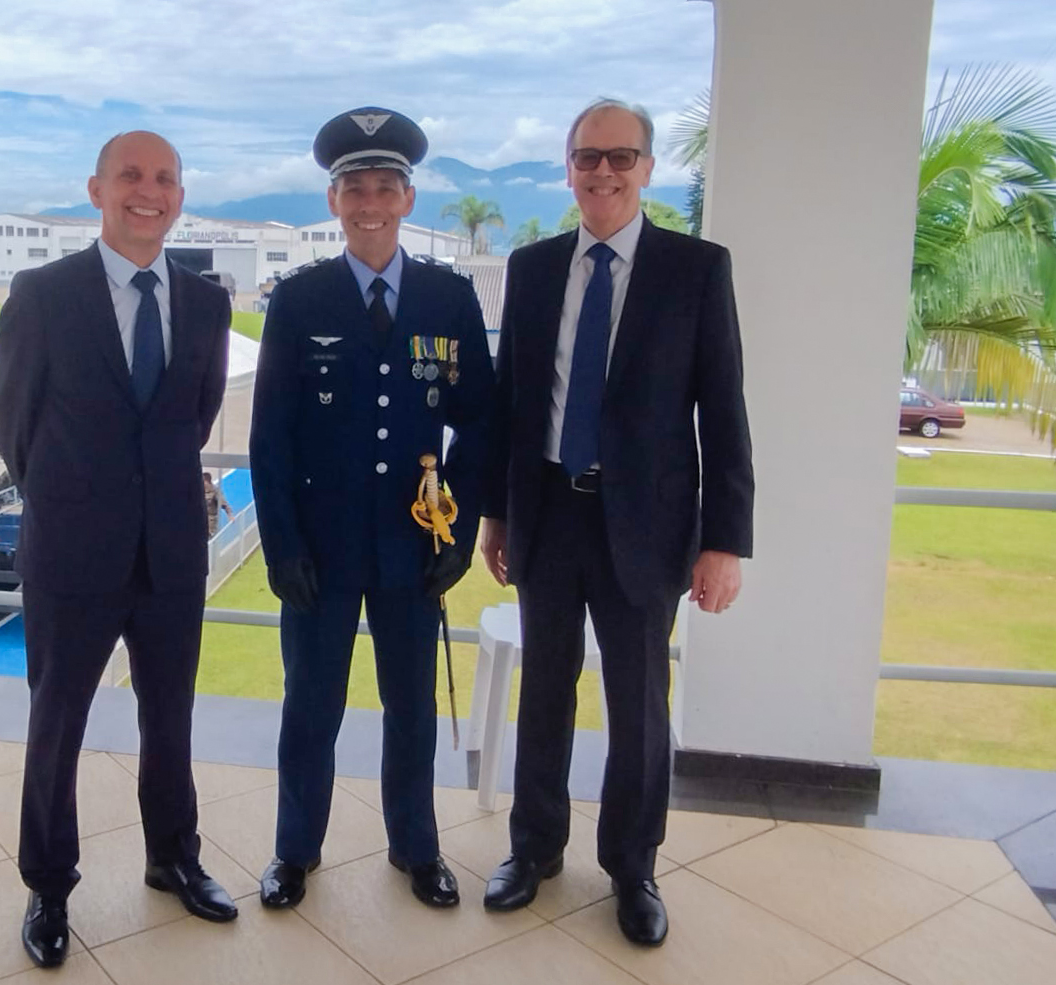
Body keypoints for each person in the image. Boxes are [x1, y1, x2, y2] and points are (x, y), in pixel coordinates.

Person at [478, 98, 754, 946]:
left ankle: (632, 867)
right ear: (566, 167)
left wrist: (724, 539)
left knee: (638, 704)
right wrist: (496, 512)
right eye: (587, 157)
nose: (603, 171)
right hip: (548, 513)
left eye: (620, 157)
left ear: (646, 168)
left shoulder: (696, 269)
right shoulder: (530, 268)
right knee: (544, 692)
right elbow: (513, 405)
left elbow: (723, 408)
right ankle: (533, 850)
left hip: (648, 524)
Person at [0, 130, 237, 969]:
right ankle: (49, 884)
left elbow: (190, 419)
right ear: (95, 189)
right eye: (131, 175)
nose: (149, 190)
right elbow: (14, 422)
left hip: (170, 548)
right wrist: (75, 500)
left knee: (170, 718)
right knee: (56, 723)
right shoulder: (43, 292)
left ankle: (173, 856)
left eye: (165, 178)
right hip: (71, 550)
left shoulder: (207, 302)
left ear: (178, 195)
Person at [249, 107, 495, 910]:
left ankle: (416, 848)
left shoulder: (447, 299)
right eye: (354, 186)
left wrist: (456, 521)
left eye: (385, 186)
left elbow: (481, 419)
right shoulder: (298, 299)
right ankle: (294, 850)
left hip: (409, 547)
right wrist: (281, 544)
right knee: (309, 707)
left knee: (411, 709)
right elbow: (271, 436)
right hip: (318, 548)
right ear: (333, 201)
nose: (370, 201)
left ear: (409, 198)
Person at [202, 471, 234, 537]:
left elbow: (224, 504)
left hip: (210, 521)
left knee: (209, 539)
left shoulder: (215, 491)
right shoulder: (200, 490)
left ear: (207, 481)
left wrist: (230, 515)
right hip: (200, 519)